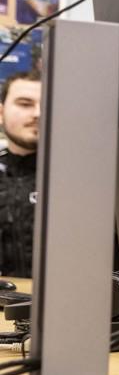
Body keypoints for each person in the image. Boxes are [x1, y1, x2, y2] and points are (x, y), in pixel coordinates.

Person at [0, 70, 40, 277]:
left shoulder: (84, 179)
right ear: (1, 113)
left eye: (48, 104)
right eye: (25, 104)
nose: (38, 113)